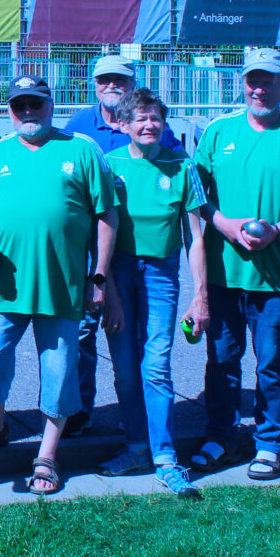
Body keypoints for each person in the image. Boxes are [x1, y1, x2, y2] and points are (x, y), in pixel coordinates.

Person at [0, 75, 119, 498]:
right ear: (10, 111)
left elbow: (106, 217)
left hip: (62, 286)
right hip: (4, 286)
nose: (28, 112)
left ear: (51, 105)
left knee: (59, 372)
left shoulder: (82, 150)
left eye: (36, 104)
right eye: (20, 106)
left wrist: (98, 277)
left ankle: (47, 455)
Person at [191, 48, 280, 480]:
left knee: (272, 364)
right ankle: (221, 436)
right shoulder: (218, 131)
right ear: (242, 83)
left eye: (268, 81)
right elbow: (197, 196)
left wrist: (278, 231)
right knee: (222, 361)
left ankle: (269, 443)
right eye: (253, 80)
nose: (259, 88)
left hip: (277, 275)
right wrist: (226, 225)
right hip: (224, 273)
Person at [64, 55, 184, 437]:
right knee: (82, 332)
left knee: (132, 341)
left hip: (134, 255)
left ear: (132, 84)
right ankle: (80, 409)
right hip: (85, 252)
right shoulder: (78, 127)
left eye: (120, 79)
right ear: (94, 84)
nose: (111, 85)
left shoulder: (151, 126)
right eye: (105, 80)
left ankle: (131, 416)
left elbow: (176, 165)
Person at [96, 89, 208, 498]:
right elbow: (99, 234)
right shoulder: (109, 166)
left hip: (161, 274)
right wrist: (105, 286)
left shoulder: (183, 166)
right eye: (139, 119)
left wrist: (201, 296)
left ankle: (165, 459)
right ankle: (137, 448)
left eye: (155, 118)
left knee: (156, 365)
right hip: (118, 274)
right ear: (122, 125)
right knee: (125, 367)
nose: (148, 125)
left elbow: (195, 237)